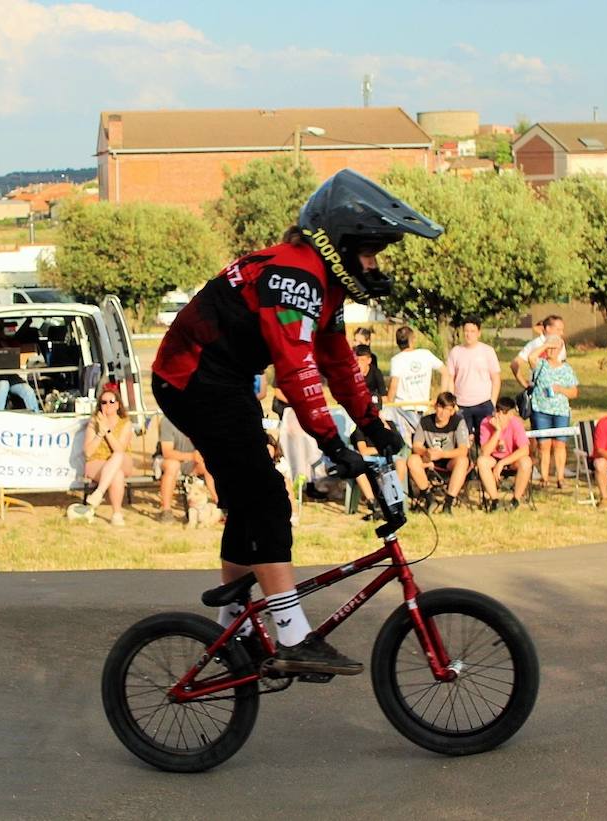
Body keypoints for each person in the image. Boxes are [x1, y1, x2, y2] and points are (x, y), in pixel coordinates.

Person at [151, 168, 441, 675]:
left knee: (250, 500)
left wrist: (372, 424)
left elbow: (338, 362)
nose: (374, 266)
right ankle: (291, 635)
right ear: (341, 246)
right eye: (369, 254)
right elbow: (295, 368)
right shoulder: (295, 274)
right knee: (265, 498)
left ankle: (233, 629)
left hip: (224, 381)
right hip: (194, 379)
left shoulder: (320, 283)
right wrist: (333, 442)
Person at [71, 387, 134, 526]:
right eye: (104, 402)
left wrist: (107, 431)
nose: (108, 405)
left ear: (118, 405)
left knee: (117, 456)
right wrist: (99, 433)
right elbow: (88, 452)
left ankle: (99, 492)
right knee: (116, 474)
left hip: (122, 460)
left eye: (111, 401)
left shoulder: (126, 423)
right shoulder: (93, 423)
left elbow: (119, 449)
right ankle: (117, 514)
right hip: (98, 462)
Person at [405, 392, 471, 514]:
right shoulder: (425, 421)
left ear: (452, 411)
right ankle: (429, 498)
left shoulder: (458, 422)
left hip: (450, 460)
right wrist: (426, 452)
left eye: (447, 409)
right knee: (412, 460)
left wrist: (442, 454)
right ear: (435, 407)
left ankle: (448, 503)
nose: (442, 412)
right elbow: (416, 446)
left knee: (463, 461)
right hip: (429, 459)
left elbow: (463, 450)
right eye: (440, 407)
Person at [527, 334, 578, 489]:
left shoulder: (566, 369)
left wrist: (561, 389)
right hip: (541, 409)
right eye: (549, 348)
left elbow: (574, 392)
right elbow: (531, 357)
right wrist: (546, 345)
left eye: (555, 348)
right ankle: (544, 477)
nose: (551, 351)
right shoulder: (540, 364)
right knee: (544, 444)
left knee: (559, 444)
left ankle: (560, 477)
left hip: (560, 411)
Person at [442, 316, 501, 439]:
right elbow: (450, 379)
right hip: (461, 404)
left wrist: (492, 402)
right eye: (466, 331)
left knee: (485, 439)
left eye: (472, 331)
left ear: (479, 333)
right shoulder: (455, 352)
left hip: (484, 403)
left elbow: (496, 378)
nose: (469, 335)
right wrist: (452, 403)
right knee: (464, 441)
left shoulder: (487, 351)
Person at [156, 414, 217, 524]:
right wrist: (192, 456)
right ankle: (166, 510)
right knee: (173, 466)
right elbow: (167, 452)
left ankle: (220, 504)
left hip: (192, 461)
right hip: (167, 460)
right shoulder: (167, 421)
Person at [476, 396, 531, 512]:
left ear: (511, 414)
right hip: (493, 458)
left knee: (526, 462)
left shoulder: (516, 424)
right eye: (497, 411)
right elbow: (485, 452)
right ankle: (494, 500)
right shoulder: (486, 422)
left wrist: (502, 463)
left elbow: (525, 450)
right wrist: (497, 431)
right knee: (481, 461)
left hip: (511, 458)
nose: (499, 415)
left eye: (503, 413)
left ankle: (516, 500)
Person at [386, 325, 443, 428]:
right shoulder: (425, 354)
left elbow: (394, 385)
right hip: (416, 408)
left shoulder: (396, 360)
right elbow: (445, 372)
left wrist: (389, 403)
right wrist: (441, 396)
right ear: (412, 340)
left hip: (405, 408)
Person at [512, 314, 566, 389]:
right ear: (548, 328)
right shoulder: (535, 344)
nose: (561, 333)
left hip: (557, 389)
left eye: (562, 330)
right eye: (558, 329)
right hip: (538, 389)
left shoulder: (560, 343)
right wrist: (525, 384)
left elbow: (562, 365)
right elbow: (515, 363)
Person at [355, 344, 387, 409]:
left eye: (362, 360)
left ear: (369, 360)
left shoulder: (376, 373)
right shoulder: (352, 374)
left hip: (373, 404)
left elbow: (384, 397)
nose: (359, 363)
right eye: (357, 360)